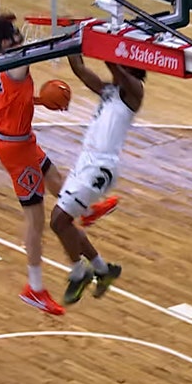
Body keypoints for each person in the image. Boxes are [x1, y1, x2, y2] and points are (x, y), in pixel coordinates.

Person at [0, 16, 119, 315]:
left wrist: (37, 100)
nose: (21, 37)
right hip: (16, 148)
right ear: (5, 43)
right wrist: (69, 38)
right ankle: (34, 288)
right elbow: (36, 53)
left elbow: (8, 100)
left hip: (18, 138)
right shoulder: (15, 64)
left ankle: (86, 212)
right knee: (35, 222)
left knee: (55, 178)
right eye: (16, 34)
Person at [53, 55, 141, 305]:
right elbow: (80, 69)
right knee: (65, 225)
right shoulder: (108, 90)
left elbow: (115, 67)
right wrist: (71, 44)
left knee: (58, 221)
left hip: (101, 167)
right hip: (85, 162)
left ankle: (79, 273)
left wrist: (107, 47)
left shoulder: (135, 91)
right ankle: (103, 270)